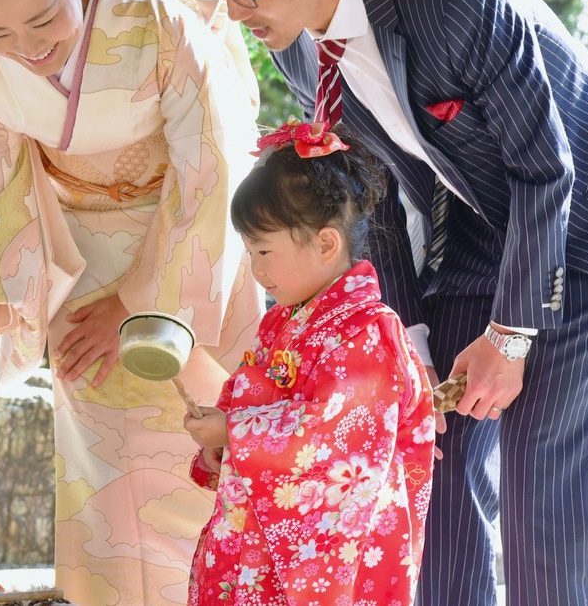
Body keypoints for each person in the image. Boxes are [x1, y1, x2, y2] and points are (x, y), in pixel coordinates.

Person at [200, 0, 588, 606]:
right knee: (431, 450)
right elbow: (371, 199)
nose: (234, 10)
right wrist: (412, 344)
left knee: (542, 489)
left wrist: (510, 336)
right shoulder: (296, 42)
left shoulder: (454, 0)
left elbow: (545, 170)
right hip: (474, 231)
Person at [0, 0, 264, 606]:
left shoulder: (164, 29)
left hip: (192, 269)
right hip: (81, 269)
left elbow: (216, 174)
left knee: (219, 470)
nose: (25, 48)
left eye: (44, 20)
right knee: (111, 490)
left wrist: (139, 306)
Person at [184, 120, 434, 606]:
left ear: (325, 243)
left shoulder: (368, 332)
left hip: (318, 554)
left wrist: (236, 433)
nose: (256, 269)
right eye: (249, 251)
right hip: (257, 531)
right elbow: (249, 390)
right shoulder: (283, 320)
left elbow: (332, 434)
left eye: (263, 250)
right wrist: (220, 436)